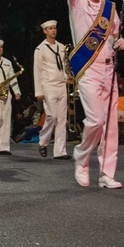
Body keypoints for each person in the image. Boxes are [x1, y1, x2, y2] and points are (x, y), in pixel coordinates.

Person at [67, 0, 124, 189]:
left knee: (110, 126)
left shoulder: (110, 8)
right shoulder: (77, 4)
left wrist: (120, 41)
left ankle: (106, 173)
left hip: (109, 69)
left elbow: (114, 36)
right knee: (95, 120)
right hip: (89, 69)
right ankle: (81, 158)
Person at [33, 20, 71, 160]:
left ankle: (60, 151)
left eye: (54, 28)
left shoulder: (61, 47)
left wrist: (68, 78)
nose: (53, 31)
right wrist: (39, 91)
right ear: (45, 31)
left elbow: (64, 65)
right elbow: (37, 70)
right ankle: (43, 141)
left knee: (62, 119)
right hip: (48, 85)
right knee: (52, 116)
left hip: (61, 84)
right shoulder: (40, 49)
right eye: (50, 29)